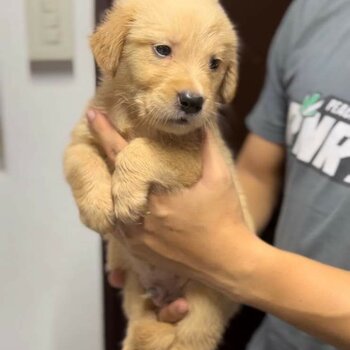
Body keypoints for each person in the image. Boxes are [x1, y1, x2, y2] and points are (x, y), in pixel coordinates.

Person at [86, 0, 350, 348]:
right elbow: (258, 173)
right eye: (163, 50)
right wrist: (182, 261)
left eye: (213, 64)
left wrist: (229, 261)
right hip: (275, 337)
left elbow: (227, 257)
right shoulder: (314, 10)